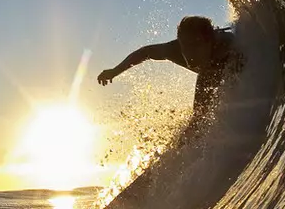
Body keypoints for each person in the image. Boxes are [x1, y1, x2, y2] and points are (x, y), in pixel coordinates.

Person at [96, 15, 243, 128]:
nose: (188, 52)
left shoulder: (229, 47)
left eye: (195, 45)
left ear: (209, 41)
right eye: (184, 44)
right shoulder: (175, 50)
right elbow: (145, 52)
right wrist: (115, 71)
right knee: (197, 121)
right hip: (207, 74)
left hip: (224, 68)